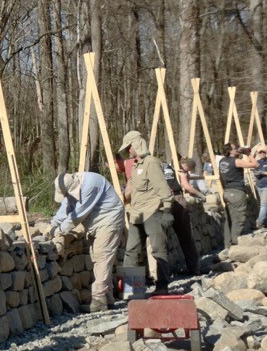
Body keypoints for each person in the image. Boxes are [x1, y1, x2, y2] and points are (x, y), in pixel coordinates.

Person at [49, 171, 126, 311]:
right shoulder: (71, 185)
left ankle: (98, 300)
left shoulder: (91, 184)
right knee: (97, 258)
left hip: (109, 219)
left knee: (103, 257)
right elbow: (65, 207)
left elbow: (77, 216)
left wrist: (59, 230)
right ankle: (107, 298)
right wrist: (52, 225)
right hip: (95, 222)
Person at [117, 130, 175, 294]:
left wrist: (167, 211)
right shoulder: (135, 166)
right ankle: (132, 291)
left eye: (129, 147)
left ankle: (162, 286)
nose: (128, 151)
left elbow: (163, 189)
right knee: (131, 252)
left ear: (136, 144)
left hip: (153, 212)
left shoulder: (152, 163)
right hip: (137, 214)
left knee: (158, 250)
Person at [217, 142, 257, 247]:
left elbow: (220, 177)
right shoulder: (236, 161)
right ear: (230, 150)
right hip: (237, 191)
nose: (238, 149)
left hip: (227, 191)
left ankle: (227, 244)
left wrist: (224, 188)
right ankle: (235, 242)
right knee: (239, 218)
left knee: (229, 218)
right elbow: (255, 165)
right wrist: (248, 154)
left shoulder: (222, 161)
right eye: (235, 148)